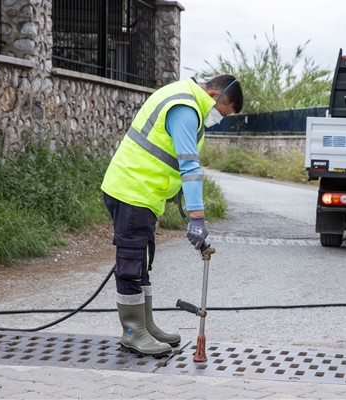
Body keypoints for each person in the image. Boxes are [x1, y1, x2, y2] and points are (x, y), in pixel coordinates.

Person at [101, 75, 243, 357]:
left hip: (143, 194)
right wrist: (197, 218)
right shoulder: (185, 109)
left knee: (142, 260)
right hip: (131, 190)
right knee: (130, 263)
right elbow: (190, 167)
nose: (219, 119)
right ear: (213, 94)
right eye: (222, 113)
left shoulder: (184, 98)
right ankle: (133, 333)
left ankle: (146, 326)